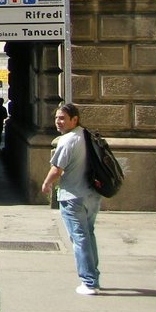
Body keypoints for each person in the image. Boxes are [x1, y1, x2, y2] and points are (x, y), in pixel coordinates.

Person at [41, 102, 101, 295]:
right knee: (88, 234)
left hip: (72, 196)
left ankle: (89, 282)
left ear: (74, 119)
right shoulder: (87, 135)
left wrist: (46, 183)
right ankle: (94, 277)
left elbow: (57, 169)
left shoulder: (67, 140)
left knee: (79, 238)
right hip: (91, 195)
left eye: (62, 118)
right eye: (57, 117)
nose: (58, 122)